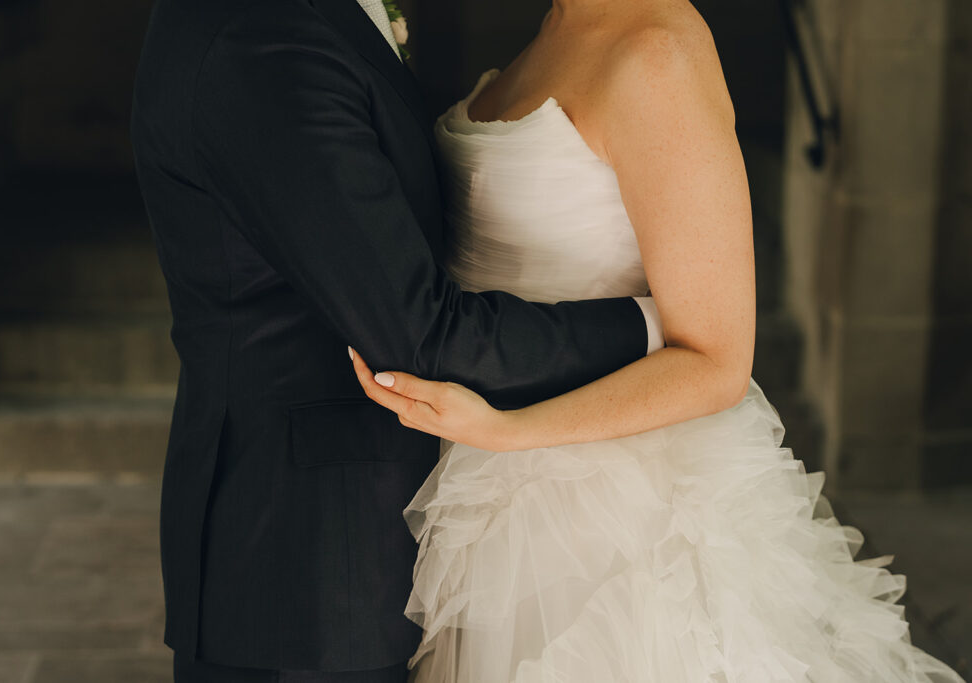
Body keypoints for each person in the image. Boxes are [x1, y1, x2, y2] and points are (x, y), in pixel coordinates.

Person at [348, 0, 969, 681]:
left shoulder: (657, 54)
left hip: (606, 515)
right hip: (490, 490)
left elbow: (717, 361)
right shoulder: (555, 29)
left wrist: (507, 430)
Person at [130, 0, 668, 680]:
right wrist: (653, 326)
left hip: (353, 552)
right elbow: (423, 333)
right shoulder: (263, 34)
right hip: (310, 577)